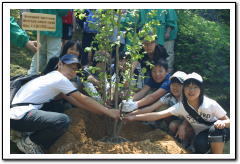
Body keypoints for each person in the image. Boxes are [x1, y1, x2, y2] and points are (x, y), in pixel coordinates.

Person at [10, 54, 120, 154]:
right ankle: (29, 142)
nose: (73, 72)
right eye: (70, 67)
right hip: (19, 116)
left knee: (56, 109)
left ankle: (22, 133)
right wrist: (108, 112)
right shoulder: (60, 79)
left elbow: (77, 102)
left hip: (15, 114)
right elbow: (83, 98)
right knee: (62, 121)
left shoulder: (52, 76)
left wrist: (100, 111)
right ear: (60, 64)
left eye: (75, 70)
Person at [125, 72, 230, 154]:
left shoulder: (210, 104)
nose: (191, 90)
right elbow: (157, 115)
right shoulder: (181, 106)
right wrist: (134, 117)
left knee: (215, 129)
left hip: (219, 131)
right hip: (201, 134)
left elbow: (230, 121)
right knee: (200, 146)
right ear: (184, 89)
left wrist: (223, 123)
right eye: (188, 87)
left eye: (195, 87)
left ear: (201, 90)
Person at [127, 71, 194, 147]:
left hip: (191, 124)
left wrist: (183, 126)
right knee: (167, 116)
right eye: (173, 84)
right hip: (178, 120)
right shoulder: (169, 96)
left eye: (179, 85)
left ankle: (187, 143)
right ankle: (171, 137)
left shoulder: (189, 99)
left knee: (174, 125)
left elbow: (192, 116)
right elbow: (150, 108)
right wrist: (131, 113)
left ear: (185, 87)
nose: (175, 87)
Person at [27, 9, 69, 75]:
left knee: (40, 52)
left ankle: (32, 73)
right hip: (54, 25)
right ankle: (50, 76)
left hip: (39, 23)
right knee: (53, 54)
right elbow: (63, 11)